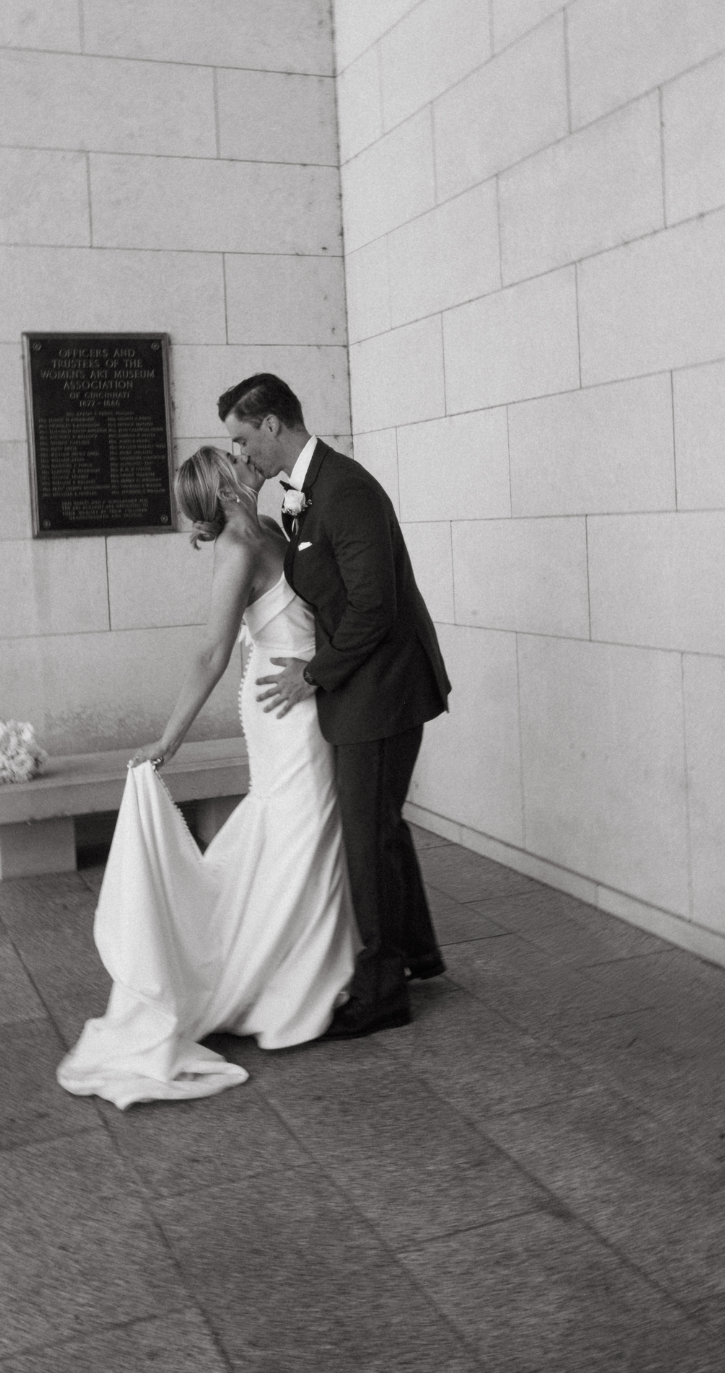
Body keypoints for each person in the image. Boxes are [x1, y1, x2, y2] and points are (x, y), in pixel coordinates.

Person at [57, 446, 358, 1107]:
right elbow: (211, 651)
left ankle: (306, 970)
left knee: (300, 832)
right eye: (234, 459)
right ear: (225, 488)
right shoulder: (239, 545)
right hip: (285, 712)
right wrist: (170, 739)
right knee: (303, 830)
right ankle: (292, 984)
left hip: (301, 696)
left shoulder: (270, 528)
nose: (246, 457)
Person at [220, 375, 451, 1039]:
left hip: (380, 688)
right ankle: (417, 952)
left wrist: (311, 674)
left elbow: (374, 604)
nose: (240, 454)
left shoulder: (344, 489)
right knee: (381, 823)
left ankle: (381, 993)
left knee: (366, 833)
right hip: (364, 684)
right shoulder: (300, 490)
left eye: (242, 438)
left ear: (271, 425)